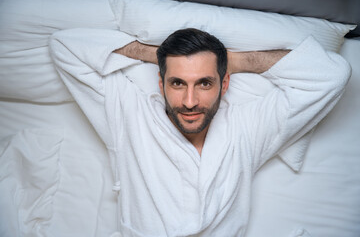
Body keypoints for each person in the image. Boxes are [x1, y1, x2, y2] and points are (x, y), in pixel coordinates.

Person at [50, 28, 350, 236]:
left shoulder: (247, 128)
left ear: (225, 83)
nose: (190, 102)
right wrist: (155, 55)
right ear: (160, 83)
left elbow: (331, 75)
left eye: (205, 83)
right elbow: (65, 46)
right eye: (177, 82)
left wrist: (239, 61)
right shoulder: (130, 115)